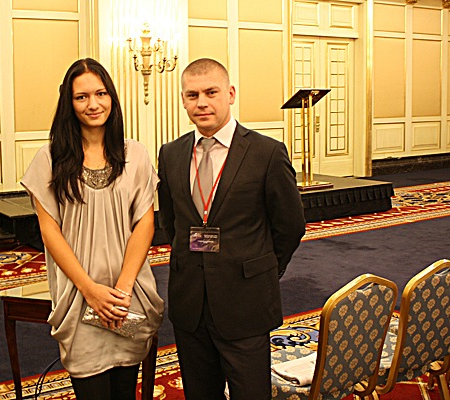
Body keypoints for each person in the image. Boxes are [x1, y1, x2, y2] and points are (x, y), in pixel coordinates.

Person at [157, 58, 306, 399]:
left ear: (231, 94)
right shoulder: (171, 154)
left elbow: (290, 225)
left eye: (211, 92)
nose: (202, 103)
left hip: (245, 300)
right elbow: (171, 221)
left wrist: (263, 268)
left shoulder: (266, 152)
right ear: (183, 100)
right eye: (192, 95)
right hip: (190, 300)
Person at [21, 58, 164, 400]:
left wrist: (122, 290)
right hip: (79, 295)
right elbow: (50, 233)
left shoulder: (135, 154)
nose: (93, 104)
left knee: (125, 390)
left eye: (100, 94)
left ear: (112, 97)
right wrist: (91, 290)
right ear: (69, 103)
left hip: (128, 293)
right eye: (81, 97)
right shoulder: (49, 159)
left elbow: (145, 223)